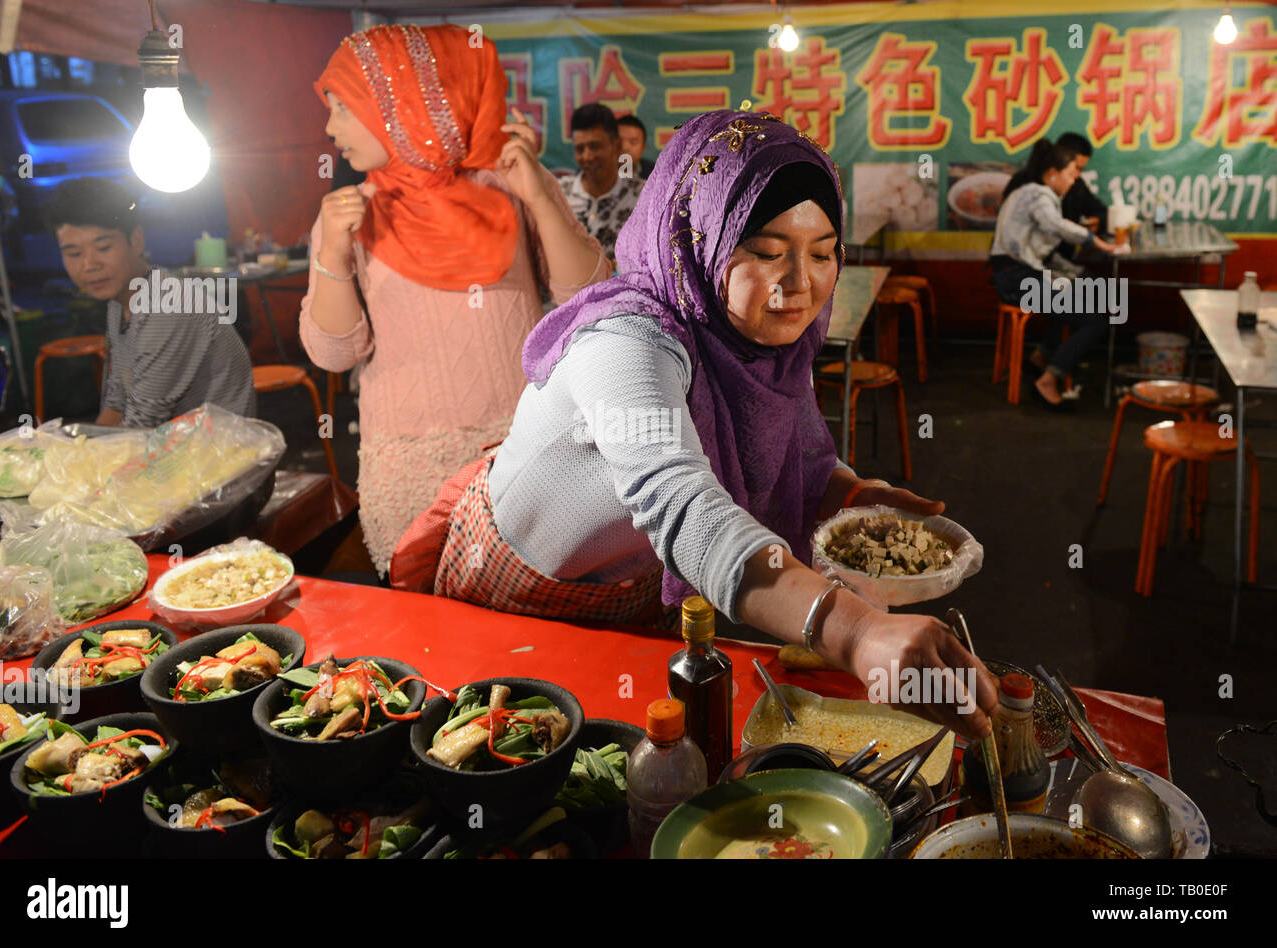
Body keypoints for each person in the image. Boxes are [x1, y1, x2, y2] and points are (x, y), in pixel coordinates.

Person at [419, 109, 997, 739]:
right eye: (766, 252)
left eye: (825, 253)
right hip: (518, 593)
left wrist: (851, 498)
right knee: (508, 750)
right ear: (697, 241)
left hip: (637, 587)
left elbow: (798, 453)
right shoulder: (623, 342)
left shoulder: (761, 342)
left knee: (638, 751)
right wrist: (855, 631)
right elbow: (685, 507)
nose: (800, 285)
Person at [302, 24, 609, 576]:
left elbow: (588, 301)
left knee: (537, 626)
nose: (329, 127)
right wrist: (330, 252)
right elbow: (334, 353)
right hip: (407, 468)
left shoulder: (510, 184)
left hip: (526, 447)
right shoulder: (348, 214)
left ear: (402, 104)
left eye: (344, 107)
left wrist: (539, 197)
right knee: (429, 637)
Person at [48, 178, 255, 428]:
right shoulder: (121, 302)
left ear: (136, 240)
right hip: (167, 448)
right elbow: (117, 402)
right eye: (73, 254)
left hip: (219, 456)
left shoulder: (167, 307)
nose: (89, 265)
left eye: (103, 247)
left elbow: (141, 423)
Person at [990, 138, 1117, 410]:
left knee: (1086, 291)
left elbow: (1046, 253)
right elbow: (1056, 226)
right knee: (1095, 321)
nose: (1074, 181)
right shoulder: (1038, 195)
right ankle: (1049, 378)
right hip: (1017, 279)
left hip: (1020, 275)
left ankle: (1042, 357)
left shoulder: (1033, 193)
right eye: (1072, 174)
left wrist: (1080, 275)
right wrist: (1096, 242)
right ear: (1052, 173)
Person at [558, 103, 645, 268]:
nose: (587, 156)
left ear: (617, 146)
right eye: (580, 149)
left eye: (595, 146)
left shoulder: (642, 195)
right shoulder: (558, 194)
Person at [1056, 132, 1107, 237]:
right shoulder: (1033, 188)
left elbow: (1100, 210)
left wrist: (1098, 220)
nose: (1077, 175)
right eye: (1076, 168)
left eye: (1081, 169)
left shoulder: (1077, 184)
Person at [616, 114, 654, 179]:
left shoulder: (656, 173)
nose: (625, 147)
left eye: (633, 142)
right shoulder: (597, 172)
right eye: (619, 141)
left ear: (643, 147)